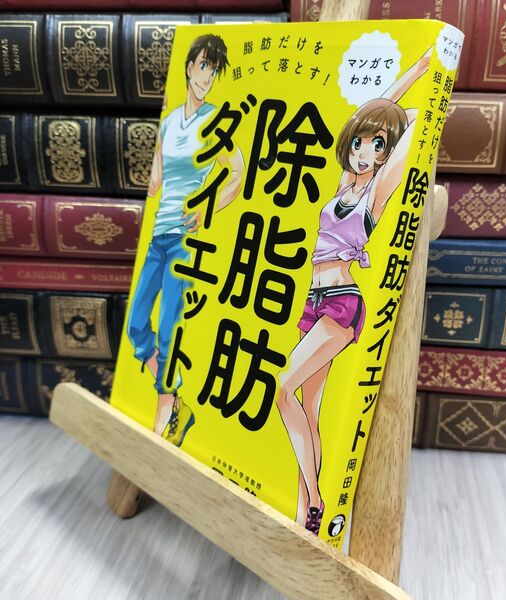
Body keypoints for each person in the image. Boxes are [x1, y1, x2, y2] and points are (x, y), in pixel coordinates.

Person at [276, 48, 431, 535]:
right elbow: (372, 110)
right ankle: (304, 515)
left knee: (283, 388)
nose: (365, 152)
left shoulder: (374, 194)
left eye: (377, 145)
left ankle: (316, 499)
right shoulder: (346, 183)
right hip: (312, 303)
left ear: (386, 153)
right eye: (361, 142)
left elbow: (411, 123)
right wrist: (414, 72)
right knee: (310, 410)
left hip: (342, 303)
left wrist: (420, 95)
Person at [127, 34, 244, 447]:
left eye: (214, 69)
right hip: (157, 235)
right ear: (189, 66)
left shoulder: (215, 121)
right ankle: (176, 398)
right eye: (203, 65)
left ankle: (163, 417)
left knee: (168, 332)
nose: (208, 76)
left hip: (184, 241)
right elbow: (155, 184)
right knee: (136, 324)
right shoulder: (168, 121)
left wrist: (207, 206)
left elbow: (237, 172)